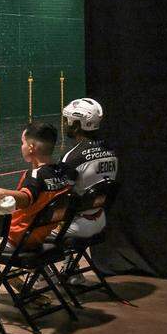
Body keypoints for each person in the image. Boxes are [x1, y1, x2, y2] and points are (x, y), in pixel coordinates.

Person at [0, 122, 75, 248]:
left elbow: (26, 198)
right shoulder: (64, 173)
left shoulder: (35, 175)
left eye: (23, 143)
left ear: (31, 147)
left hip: (18, 239)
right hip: (45, 234)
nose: (22, 147)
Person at [60, 98, 118, 238]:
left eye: (66, 120)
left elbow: (60, 196)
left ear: (77, 125)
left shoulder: (72, 158)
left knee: (31, 234)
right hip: (101, 219)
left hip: (77, 225)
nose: (64, 124)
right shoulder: (112, 151)